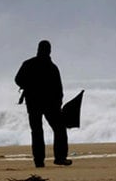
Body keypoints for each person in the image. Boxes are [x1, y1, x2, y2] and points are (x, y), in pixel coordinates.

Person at [15, 40, 72, 168]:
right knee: (59, 129)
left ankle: (39, 161)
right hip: (50, 104)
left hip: (33, 103)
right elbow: (59, 89)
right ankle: (60, 158)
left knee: (36, 131)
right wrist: (59, 103)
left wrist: (28, 87)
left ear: (38, 49)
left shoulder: (28, 64)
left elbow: (18, 80)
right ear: (49, 50)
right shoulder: (52, 67)